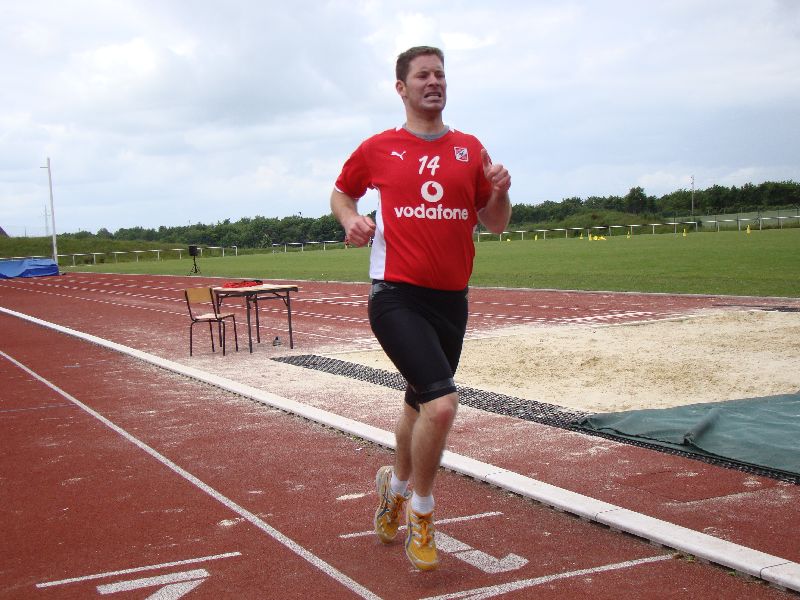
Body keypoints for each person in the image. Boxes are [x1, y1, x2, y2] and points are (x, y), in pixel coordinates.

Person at [330, 45, 511, 571]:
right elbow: (341, 194)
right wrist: (350, 219)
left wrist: (500, 191)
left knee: (419, 403)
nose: (434, 82)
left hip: (451, 300)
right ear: (402, 88)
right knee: (443, 404)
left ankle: (394, 489)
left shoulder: (470, 149)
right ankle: (423, 512)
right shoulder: (378, 148)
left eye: (440, 74)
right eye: (423, 75)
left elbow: (495, 222)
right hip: (396, 296)